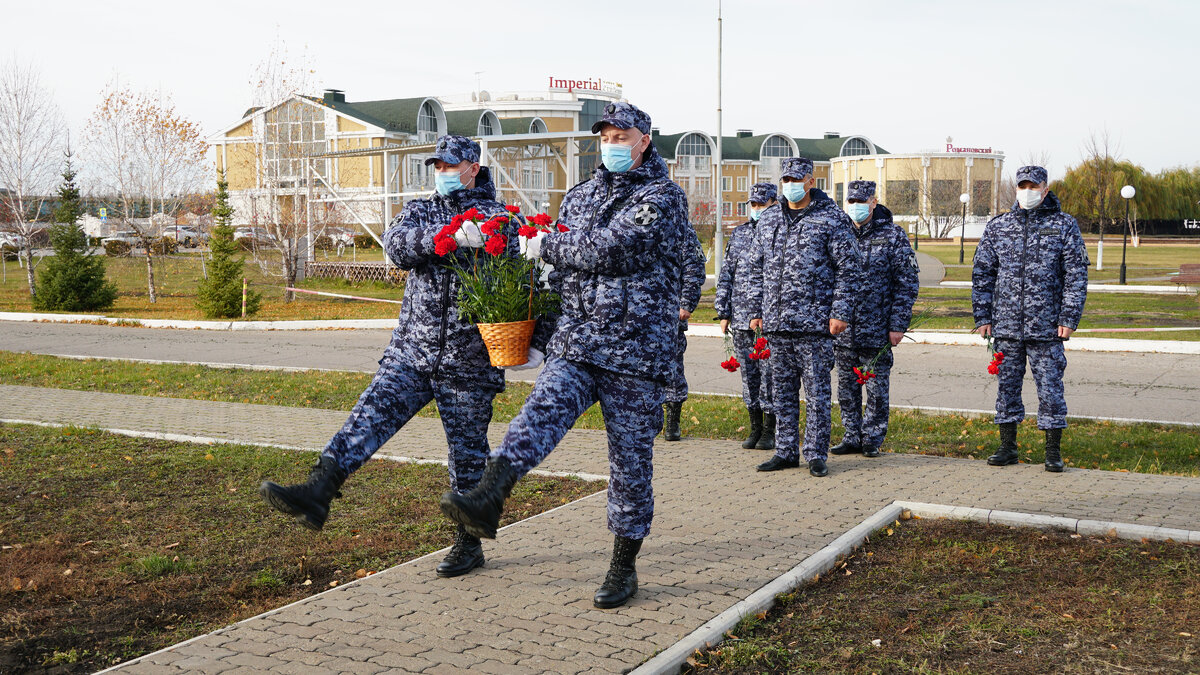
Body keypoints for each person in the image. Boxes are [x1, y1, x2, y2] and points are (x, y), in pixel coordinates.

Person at [439, 102, 690, 609]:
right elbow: (559, 276)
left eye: (623, 135)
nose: (612, 143)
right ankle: (489, 497)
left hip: (636, 355)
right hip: (577, 343)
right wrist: (539, 330)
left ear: (644, 139)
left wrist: (550, 242)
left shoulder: (662, 198)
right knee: (538, 417)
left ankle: (623, 566)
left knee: (630, 466)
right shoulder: (581, 194)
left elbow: (613, 250)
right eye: (606, 135)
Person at [259, 134, 542, 579]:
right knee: (367, 418)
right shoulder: (421, 209)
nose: (442, 173)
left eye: (450, 165)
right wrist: (444, 237)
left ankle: (468, 544)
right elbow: (396, 246)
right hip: (412, 352)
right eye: (437, 166)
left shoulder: (503, 219)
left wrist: (535, 337)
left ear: (473, 166)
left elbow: (530, 279)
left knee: (467, 455)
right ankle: (318, 491)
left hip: (469, 363)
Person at [744, 157, 864, 477]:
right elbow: (755, 268)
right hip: (777, 322)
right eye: (786, 180)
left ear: (811, 181)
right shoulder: (769, 219)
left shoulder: (832, 218)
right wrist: (755, 311)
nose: (791, 185)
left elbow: (849, 270)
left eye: (797, 179)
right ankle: (785, 451)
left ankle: (814, 452)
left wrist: (840, 312)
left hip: (815, 322)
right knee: (782, 392)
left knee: (816, 393)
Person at [972, 165, 1089, 472]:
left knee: (1050, 388)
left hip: (1047, 327)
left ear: (1045, 189)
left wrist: (1069, 317)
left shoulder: (1064, 225)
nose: (1027, 191)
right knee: (1007, 388)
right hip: (1006, 326)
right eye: (1022, 186)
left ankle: (1052, 451)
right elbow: (983, 274)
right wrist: (982, 316)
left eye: (1033, 186)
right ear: (1016, 189)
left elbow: (1076, 275)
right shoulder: (999, 226)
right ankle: (1008, 446)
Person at [830, 180, 920, 458]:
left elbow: (907, 283)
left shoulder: (893, 235)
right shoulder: (838, 233)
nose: (856, 206)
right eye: (851, 201)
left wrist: (897, 324)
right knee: (846, 388)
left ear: (873, 201)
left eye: (862, 201)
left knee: (877, 389)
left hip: (877, 328)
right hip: (843, 329)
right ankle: (851, 435)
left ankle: (872, 438)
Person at [715, 182, 778, 450]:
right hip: (740, 317)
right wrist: (723, 310)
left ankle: (770, 429)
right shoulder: (740, 234)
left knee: (770, 375)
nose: (756, 209)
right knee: (749, 376)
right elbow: (726, 273)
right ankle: (754, 427)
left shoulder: (779, 231)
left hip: (768, 318)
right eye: (753, 204)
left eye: (761, 204)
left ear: (774, 203)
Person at [662, 226, 706, 441]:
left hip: (670, 314)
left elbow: (694, 269)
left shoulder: (683, 231)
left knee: (672, 368)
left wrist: (686, 304)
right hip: (637, 315)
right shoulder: (637, 225)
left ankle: (672, 422)